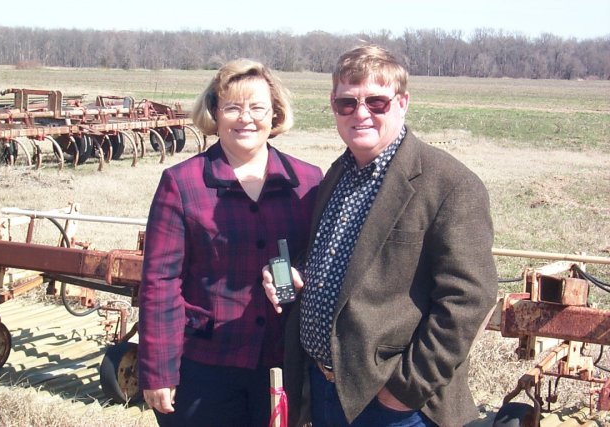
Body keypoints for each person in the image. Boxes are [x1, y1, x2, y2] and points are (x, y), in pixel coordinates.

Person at [262, 45, 498, 427]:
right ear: (333, 106)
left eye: (377, 102)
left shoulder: (449, 185)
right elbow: (345, 260)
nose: (361, 114)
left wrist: (404, 391)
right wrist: (296, 272)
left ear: (403, 103)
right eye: (347, 103)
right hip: (325, 389)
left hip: (395, 406)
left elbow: (469, 300)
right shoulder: (338, 175)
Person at [138, 59, 323, 427]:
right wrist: (158, 370)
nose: (246, 118)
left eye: (257, 108)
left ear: (275, 115)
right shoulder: (182, 183)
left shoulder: (307, 181)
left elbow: (320, 260)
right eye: (233, 107)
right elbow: (160, 283)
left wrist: (298, 274)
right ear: (215, 113)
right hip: (205, 367)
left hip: (282, 362)